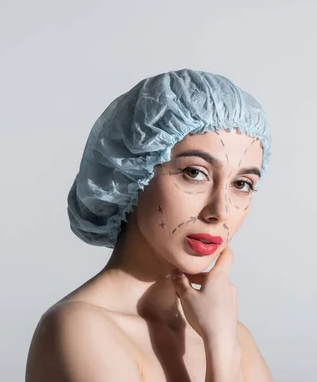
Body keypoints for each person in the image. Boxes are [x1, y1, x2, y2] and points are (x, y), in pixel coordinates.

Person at [25, 69, 274, 382]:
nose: (220, 211)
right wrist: (223, 355)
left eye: (242, 183)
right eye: (195, 173)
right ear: (132, 172)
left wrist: (222, 339)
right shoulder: (79, 329)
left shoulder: (231, 333)